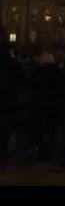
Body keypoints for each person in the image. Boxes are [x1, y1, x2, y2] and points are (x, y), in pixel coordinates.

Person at [31, 51, 62, 160]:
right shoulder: (57, 73)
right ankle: (50, 151)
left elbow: (33, 88)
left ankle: (41, 150)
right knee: (50, 130)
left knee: (40, 129)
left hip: (40, 106)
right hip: (52, 106)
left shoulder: (37, 73)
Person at [0, 29, 23, 172]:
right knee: (3, 135)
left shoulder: (12, 64)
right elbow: (20, 84)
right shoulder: (12, 64)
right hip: (6, 104)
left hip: (6, 103)